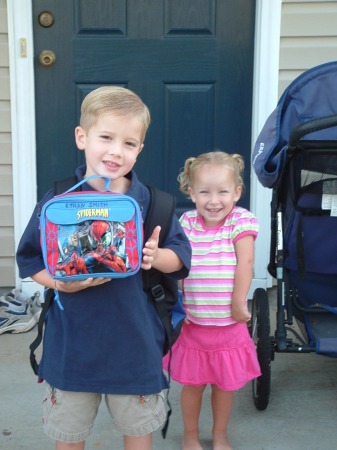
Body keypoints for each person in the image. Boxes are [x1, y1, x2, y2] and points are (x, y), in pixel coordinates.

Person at [16, 86, 191, 450]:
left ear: (140, 149)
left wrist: (157, 258)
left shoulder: (155, 204)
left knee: (138, 434)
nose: (116, 150)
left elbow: (181, 257)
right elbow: (30, 258)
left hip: (136, 347)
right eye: (106, 137)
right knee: (69, 436)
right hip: (72, 349)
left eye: (129, 143)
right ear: (82, 137)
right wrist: (58, 284)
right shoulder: (59, 199)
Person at [163, 151, 261, 450]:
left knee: (224, 386)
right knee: (192, 386)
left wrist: (238, 302)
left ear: (237, 192)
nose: (214, 200)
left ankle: (220, 434)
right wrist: (179, 304)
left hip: (228, 325)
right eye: (204, 192)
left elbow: (245, 263)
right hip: (195, 324)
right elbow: (179, 265)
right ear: (191, 193)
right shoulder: (187, 223)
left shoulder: (240, 221)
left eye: (223, 192)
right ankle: (190, 435)